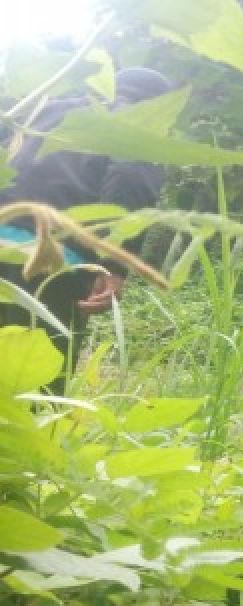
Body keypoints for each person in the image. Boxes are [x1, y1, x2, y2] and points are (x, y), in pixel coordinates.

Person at [0, 67, 172, 392]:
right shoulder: (138, 122)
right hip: (50, 260)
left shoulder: (46, 110)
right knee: (36, 387)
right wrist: (113, 265)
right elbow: (131, 179)